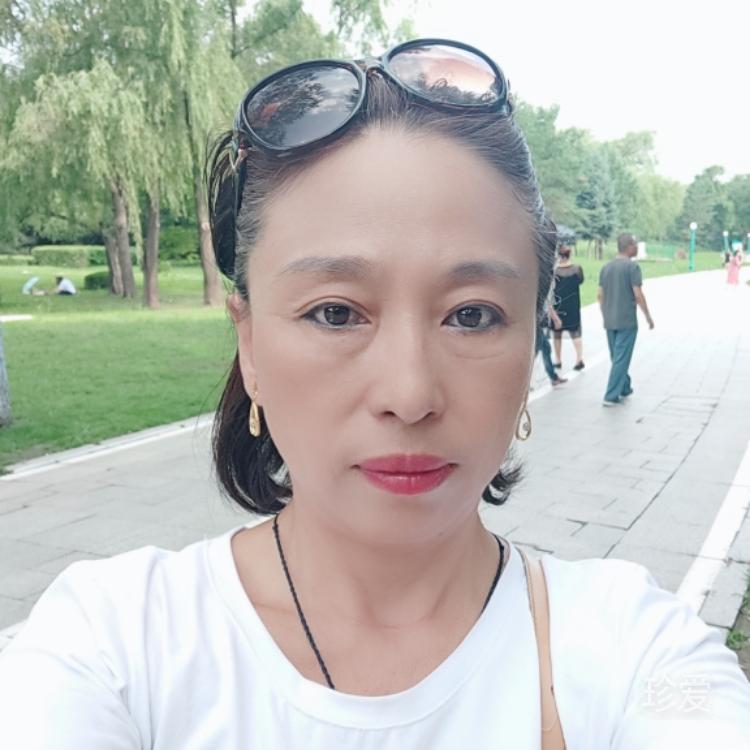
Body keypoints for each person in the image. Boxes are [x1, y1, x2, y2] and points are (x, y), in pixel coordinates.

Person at [1, 39, 749, 749]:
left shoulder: (635, 649)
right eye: (335, 313)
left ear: (531, 341)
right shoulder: (110, 646)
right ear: (250, 345)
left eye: (472, 315)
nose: (410, 394)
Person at [598, 233, 654, 407]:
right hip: (626, 320)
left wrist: (604, 314)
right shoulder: (632, 267)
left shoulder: (606, 267)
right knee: (621, 358)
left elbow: (600, 295)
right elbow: (638, 294)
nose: (637, 247)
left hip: (610, 320)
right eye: (635, 244)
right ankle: (610, 395)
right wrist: (648, 317)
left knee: (617, 357)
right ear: (629, 247)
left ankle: (624, 387)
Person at [551, 245, 584, 370]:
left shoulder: (554, 271)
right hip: (573, 305)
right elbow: (581, 281)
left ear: (559, 255)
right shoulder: (576, 269)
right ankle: (579, 359)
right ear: (569, 255)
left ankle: (558, 360)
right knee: (575, 333)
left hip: (558, 305)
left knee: (557, 334)